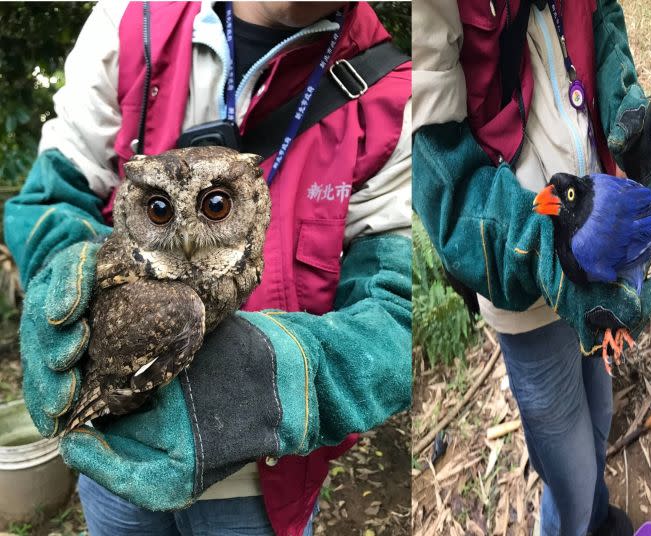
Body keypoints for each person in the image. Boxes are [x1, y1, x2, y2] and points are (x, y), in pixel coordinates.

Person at [4, 2, 411, 535]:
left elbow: (397, 314)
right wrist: (63, 277)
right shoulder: (131, 23)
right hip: (116, 454)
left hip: (266, 479)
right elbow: (50, 198)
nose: (187, 240)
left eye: (217, 207)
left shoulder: (392, 94)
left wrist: (281, 377)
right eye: (157, 210)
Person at [412, 0, 651, 534]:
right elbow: (441, 179)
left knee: (597, 411)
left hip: (595, 248)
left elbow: (602, 18)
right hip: (524, 290)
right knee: (568, 470)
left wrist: (627, 111)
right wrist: (537, 248)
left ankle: (601, 522)